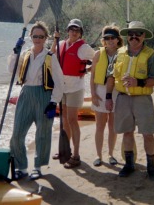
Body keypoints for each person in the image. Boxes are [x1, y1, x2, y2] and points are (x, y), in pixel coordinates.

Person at [7, 21, 64, 180]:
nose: (37, 39)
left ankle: (38, 167)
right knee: (17, 133)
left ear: (46, 38)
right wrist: (15, 51)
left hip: (44, 95)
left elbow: (60, 82)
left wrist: (54, 102)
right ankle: (22, 167)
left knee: (43, 134)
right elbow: (12, 70)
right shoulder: (24, 54)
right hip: (26, 94)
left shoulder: (50, 57)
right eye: (34, 36)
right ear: (30, 37)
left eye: (40, 36)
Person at [105, 21, 154, 181]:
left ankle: (151, 167)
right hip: (122, 99)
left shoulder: (151, 55)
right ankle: (129, 164)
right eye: (131, 34)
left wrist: (139, 82)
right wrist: (108, 97)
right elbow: (110, 77)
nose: (134, 37)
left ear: (144, 36)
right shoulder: (118, 53)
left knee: (147, 134)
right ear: (127, 36)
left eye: (138, 34)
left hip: (142, 99)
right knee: (127, 132)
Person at [51, 18, 95, 169]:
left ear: (80, 33)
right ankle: (65, 150)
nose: (74, 32)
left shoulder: (83, 48)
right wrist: (54, 39)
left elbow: (98, 58)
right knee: (64, 120)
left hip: (75, 88)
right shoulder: (61, 44)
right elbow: (51, 55)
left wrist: (87, 70)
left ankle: (76, 155)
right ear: (68, 31)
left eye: (77, 30)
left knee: (72, 120)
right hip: (62, 88)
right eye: (71, 29)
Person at [89, 25, 123, 167]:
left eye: (113, 38)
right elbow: (92, 76)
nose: (110, 41)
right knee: (100, 126)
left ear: (117, 40)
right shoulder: (98, 54)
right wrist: (93, 95)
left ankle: (111, 154)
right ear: (103, 40)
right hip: (100, 91)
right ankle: (98, 155)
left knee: (112, 126)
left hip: (115, 92)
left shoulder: (122, 54)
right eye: (107, 38)